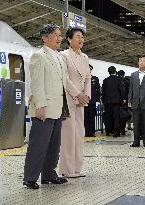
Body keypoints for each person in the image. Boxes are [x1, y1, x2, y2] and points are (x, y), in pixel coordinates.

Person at [23, 23, 68, 189]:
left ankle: (49, 174)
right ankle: (30, 178)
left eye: (60, 35)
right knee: (38, 145)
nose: (59, 38)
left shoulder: (58, 56)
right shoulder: (39, 56)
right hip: (44, 108)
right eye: (56, 35)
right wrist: (40, 105)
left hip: (57, 108)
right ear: (45, 37)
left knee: (54, 145)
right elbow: (36, 83)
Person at [59, 27, 91, 178]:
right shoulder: (63, 55)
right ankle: (66, 169)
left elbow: (88, 78)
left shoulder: (84, 57)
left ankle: (78, 168)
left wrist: (86, 96)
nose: (81, 39)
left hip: (81, 101)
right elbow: (65, 78)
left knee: (79, 134)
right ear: (69, 40)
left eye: (82, 37)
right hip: (69, 99)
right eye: (78, 36)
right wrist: (78, 94)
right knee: (68, 135)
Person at [128, 55, 145, 147]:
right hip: (135, 102)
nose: (141, 62)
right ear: (138, 63)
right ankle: (136, 142)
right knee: (136, 123)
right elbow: (131, 89)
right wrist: (129, 99)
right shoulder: (133, 75)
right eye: (140, 61)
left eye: (144, 61)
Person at [102, 66, 125, 137]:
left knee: (108, 117)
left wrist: (103, 101)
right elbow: (121, 89)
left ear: (109, 72)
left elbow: (103, 91)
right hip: (116, 102)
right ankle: (116, 132)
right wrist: (123, 99)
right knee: (116, 117)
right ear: (115, 71)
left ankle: (108, 132)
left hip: (107, 102)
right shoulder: (119, 79)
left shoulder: (105, 80)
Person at [84, 64, 100, 137]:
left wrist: (98, 100)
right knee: (85, 118)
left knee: (92, 117)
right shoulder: (82, 78)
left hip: (92, 101)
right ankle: (87, 132)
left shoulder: (95, 79)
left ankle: (92, 132)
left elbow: (98, 90)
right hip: (84, 101)